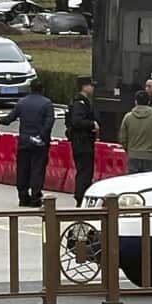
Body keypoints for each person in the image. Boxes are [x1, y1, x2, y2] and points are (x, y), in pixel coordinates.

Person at [0, 79, 55, 207]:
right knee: (37, 169)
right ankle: (35, 197)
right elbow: (49, 124)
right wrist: (41, 136)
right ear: (43, 89)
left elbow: (10, 118)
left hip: (24, 142)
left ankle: (23, 197)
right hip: (39, 143)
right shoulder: (47, 104)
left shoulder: (22, 102)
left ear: (30, 88)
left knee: (23, 169)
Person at [66, 75, 99, 206]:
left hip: (85, 141)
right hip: (81, 142)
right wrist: (92, 124)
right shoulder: (79, 103)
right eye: (91, 85)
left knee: (86, 170)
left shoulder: (84, 101)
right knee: (84, 171)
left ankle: (82, 195)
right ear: (84, 87)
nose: (93, 88)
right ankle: (80, 197)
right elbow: (77, 122)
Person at [119, 91, 152, 174]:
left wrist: (128, 150)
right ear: (148, 102)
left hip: (133, 155)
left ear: (135, 101)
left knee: (134, 184)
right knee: (149, 184)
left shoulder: (128, 117)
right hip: (150, 156)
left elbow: (123, 137)